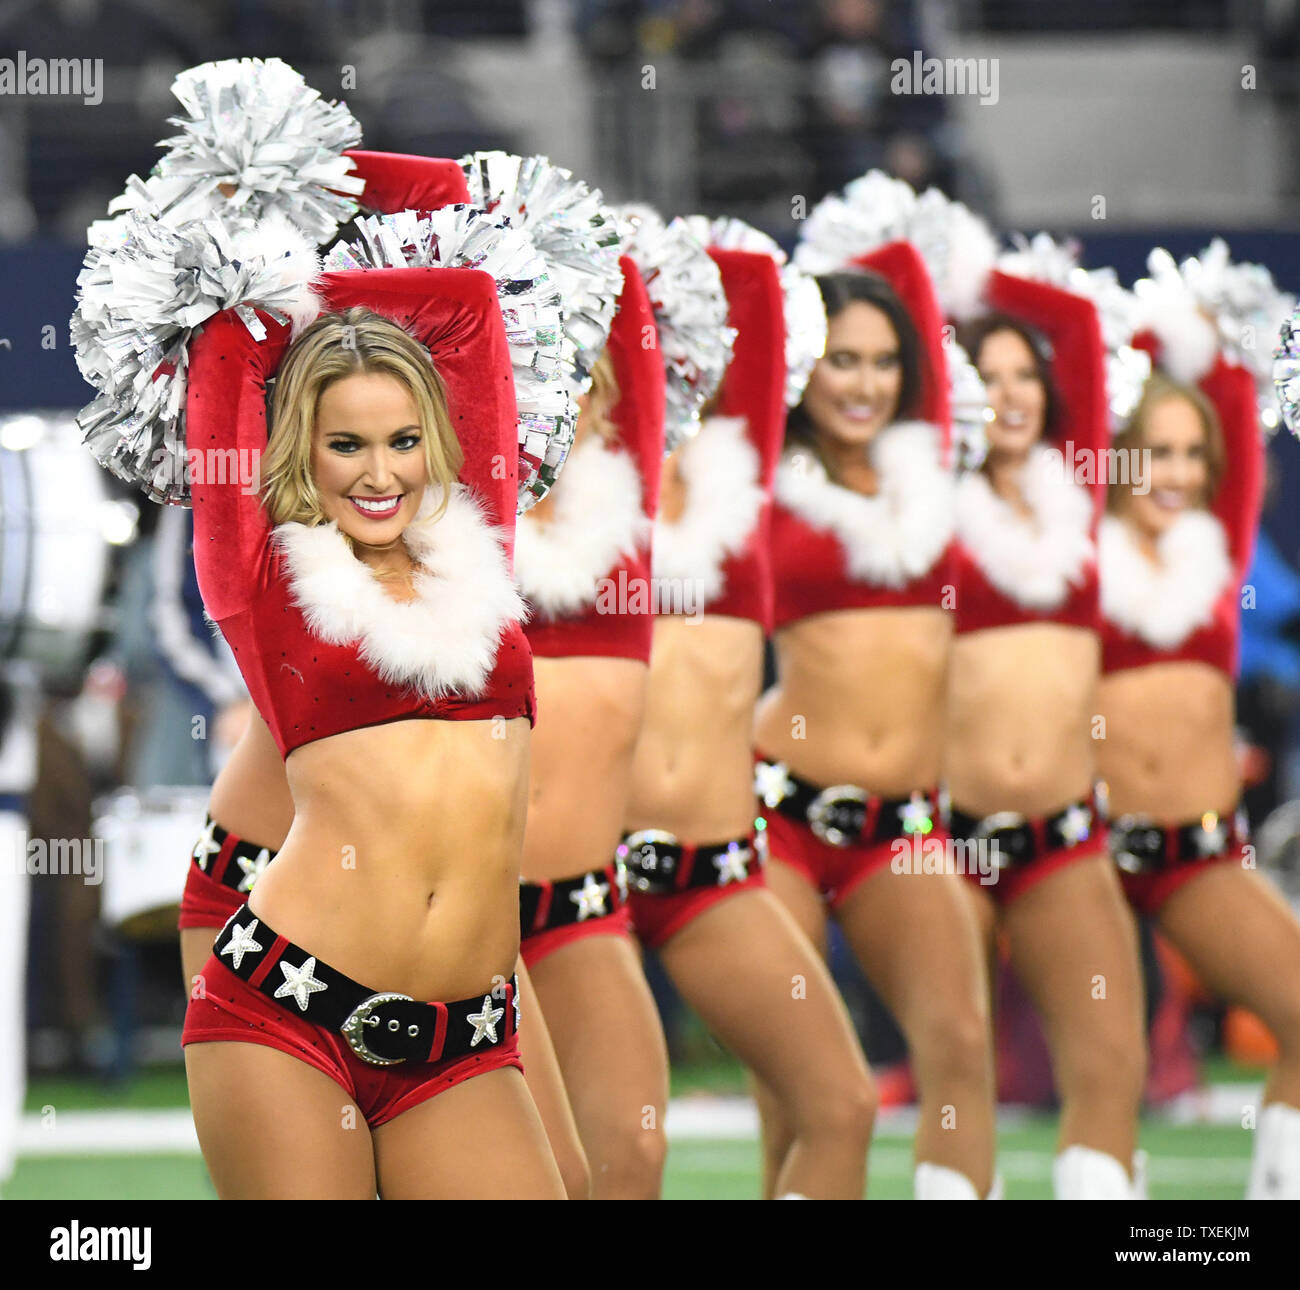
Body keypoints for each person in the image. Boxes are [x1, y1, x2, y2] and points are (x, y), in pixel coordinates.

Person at [180, 276, 564, 1199]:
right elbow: (227, 319)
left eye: (402, 441)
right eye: (344, 445)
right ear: (299, 454)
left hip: (463, 1035)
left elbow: (470, 298)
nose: (380, 474)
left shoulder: (478, 548)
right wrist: (273, 261)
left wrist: (342, 299)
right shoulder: (260, 574)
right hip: (289, 1012)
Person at [622, 240, 876, 1199]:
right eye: (648, 334)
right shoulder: (573, 487)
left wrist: (657, 253)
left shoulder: (743, 479)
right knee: (616, 1159)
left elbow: (761, 300)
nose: (668, 353)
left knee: (840, 1107)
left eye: (684, 330)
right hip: (577, 880)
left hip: (716, 872)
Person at [753, 244, 997, 1199]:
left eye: (884, 360)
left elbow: (910, 277)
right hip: (777, 813)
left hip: (905, 826)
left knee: (961, 1049)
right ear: (804, 366)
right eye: (840, 359)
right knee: (796, 1084)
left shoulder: (930, 470)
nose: (864, 382)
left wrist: (894, 237)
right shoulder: (764, 473)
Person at [947, 268, 1147, 1198]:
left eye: (1025, 376)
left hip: (1064, 835)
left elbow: (1071, 318)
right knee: (957, 1070)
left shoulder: (1077, 495)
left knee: (1111, 1063)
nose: (1010, 395)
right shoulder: (933, 503)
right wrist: (931, 273)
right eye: (987, 377)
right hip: (946, 840)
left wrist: (972, 265)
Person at [1097, 360, 1300, 1200]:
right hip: (1086, 858)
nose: (1172, 475)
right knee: (1107, 1066)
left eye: (1190, 455)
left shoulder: (1220, 557)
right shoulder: (1068, 556)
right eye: (1152, 453)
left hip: (1201, 852)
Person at [511, 257, 673, 1199]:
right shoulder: (446, 515)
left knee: (631, 1161)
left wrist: (537, 223)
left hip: (579, 905)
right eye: (525, 351)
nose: (553, 375)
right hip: (454, 913)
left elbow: (621, 279)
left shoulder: (629, 505)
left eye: (572, 352)